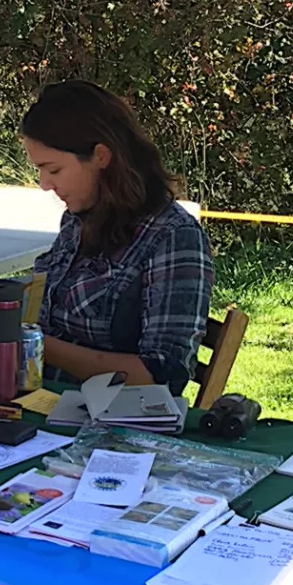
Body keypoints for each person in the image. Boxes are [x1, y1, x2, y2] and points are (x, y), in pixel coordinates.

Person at [23, 81, 212, 396]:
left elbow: (161, 375)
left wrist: (32, 342)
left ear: (101, 156)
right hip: (44, 400)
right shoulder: (78, 219)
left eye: (53, 170)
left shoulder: (173, 236)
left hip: (111, 416)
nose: (44, 184)